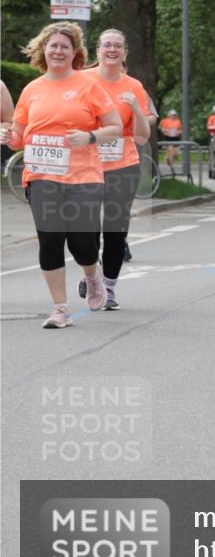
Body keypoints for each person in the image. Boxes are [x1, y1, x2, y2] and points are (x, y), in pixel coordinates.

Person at [0, 23, 122, 328]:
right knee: (50, 240)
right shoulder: (32, 89)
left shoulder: (89, 86)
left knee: (83, 243)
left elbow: (115, 127)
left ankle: (92, 276)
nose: (57, 50)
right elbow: (19, 137)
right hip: (41, 175)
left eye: (64, 46)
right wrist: (7, 136)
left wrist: (90, 137)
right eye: (52, 45)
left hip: (83, 175)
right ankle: (60, 308)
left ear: (75, 52)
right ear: (43, 50)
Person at [79, 30, 151, 310]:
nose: (112, 49)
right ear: (98, 50)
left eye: (117, 46)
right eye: (107, 45)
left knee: (115, 231)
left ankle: (108, 287)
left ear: (124, 53)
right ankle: (91, 274)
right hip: (85, 165)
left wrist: (138, 109)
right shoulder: (82, 80)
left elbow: (142, 137)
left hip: (123, 165)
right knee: (85, 228)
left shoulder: (134, 86)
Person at [158, 109, 182, 176]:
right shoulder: (164, 121)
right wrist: (164, 129)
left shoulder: (178, 121)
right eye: (172, 115)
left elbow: (180, 130)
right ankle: (171, 166)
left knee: (175, 152)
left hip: (175, 138)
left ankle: (167, 159)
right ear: (169, 115)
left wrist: (179, 132)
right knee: (171, 151)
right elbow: (159, 127)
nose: (174, 116)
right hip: (168, 137)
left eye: (175, 115)